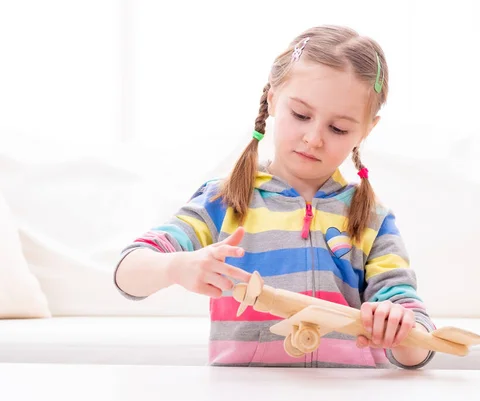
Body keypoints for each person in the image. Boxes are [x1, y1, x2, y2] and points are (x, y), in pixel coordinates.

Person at [114, 25, 436, 369]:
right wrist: (177, 267)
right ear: (272, 100)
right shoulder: (225, 200)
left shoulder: (372, 217)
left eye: (338, 128)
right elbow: (128, 271)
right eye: (301, 115)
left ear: (367, 129)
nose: (314, 138)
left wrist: (399, 329)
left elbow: (417, 341)